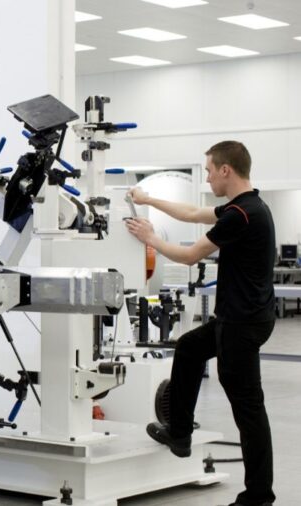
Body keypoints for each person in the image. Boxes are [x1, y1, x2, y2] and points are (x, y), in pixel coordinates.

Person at [125, 141, 276, 506]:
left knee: (248, 409)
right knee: (191, 347)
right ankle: (179, 434)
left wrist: (151, 239)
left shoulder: (242, 215)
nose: (207, 177)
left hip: (242, 323)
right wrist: (148, 201)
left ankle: (258, 496)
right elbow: (192, 213)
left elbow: (191, 256)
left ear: (226, 170)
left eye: (209, 171)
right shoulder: (244, 207)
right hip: (241, 318)